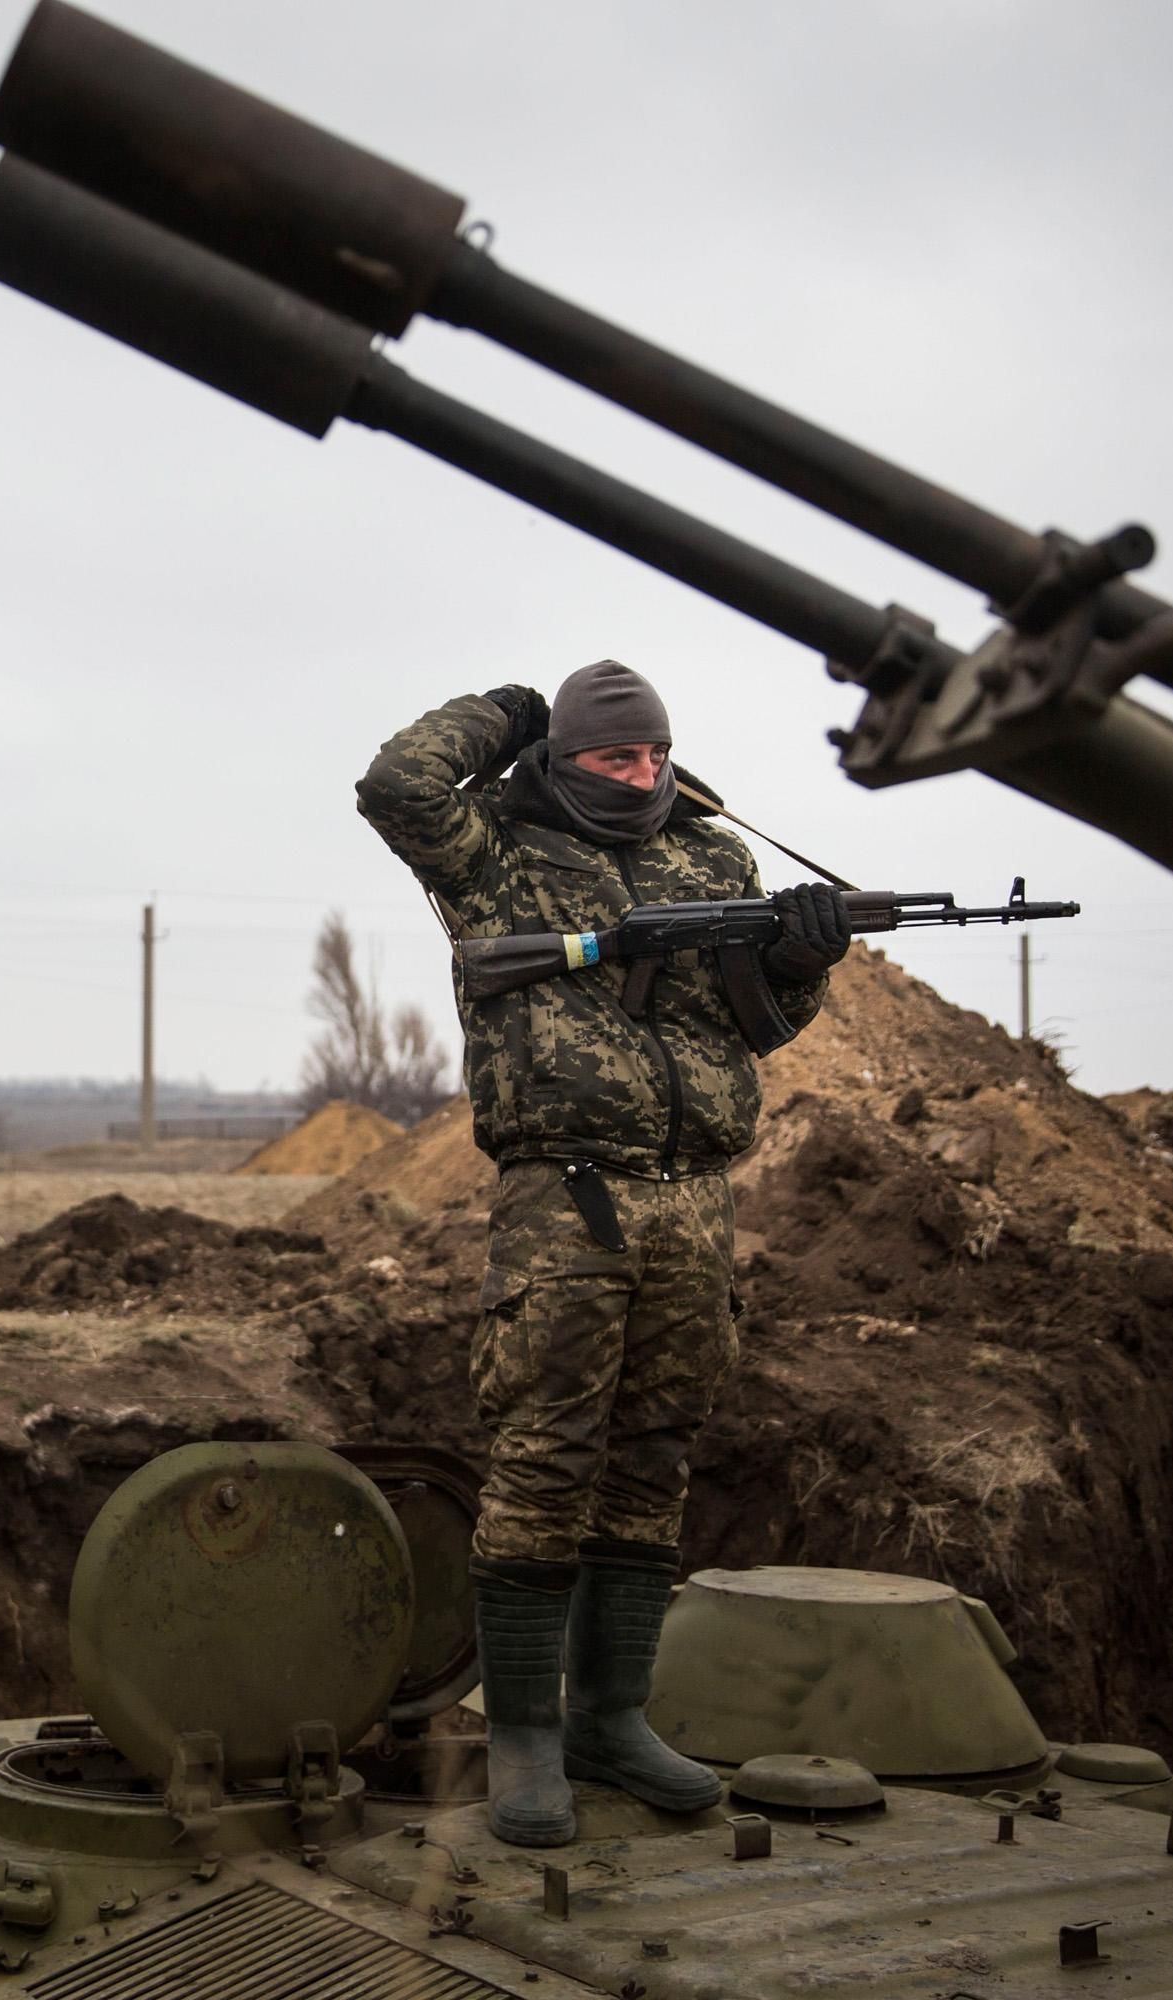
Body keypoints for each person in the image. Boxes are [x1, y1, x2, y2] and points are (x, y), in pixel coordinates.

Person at [357, 660, 848, 1847]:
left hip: (695, 1198)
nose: (640, 775)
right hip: (567, 1198)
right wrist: (510, 714)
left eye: (654, 756)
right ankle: (526, 1731)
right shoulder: (494, 849)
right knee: (546, 1451)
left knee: (655, 1453)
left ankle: (612, 1717)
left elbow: (748, 1025)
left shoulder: (713, 857)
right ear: (565, 761)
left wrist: (798, 961)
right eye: (612, 758)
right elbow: (394, 783)